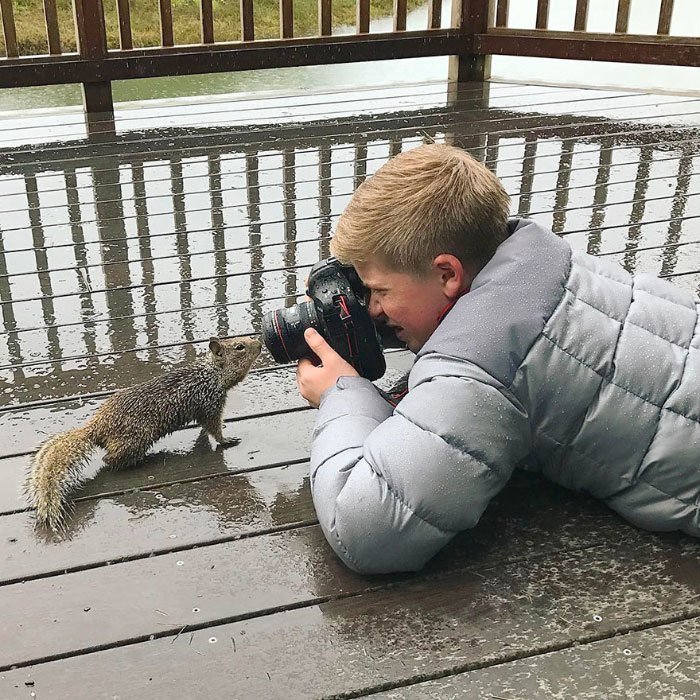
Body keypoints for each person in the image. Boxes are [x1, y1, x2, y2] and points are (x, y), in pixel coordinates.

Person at [295, 143, 700, 575]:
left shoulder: (478, 370)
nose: (372, 308)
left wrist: (343, 393)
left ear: (448, 273)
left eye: (380, 292)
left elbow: (365, 531)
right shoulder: (543, 262)